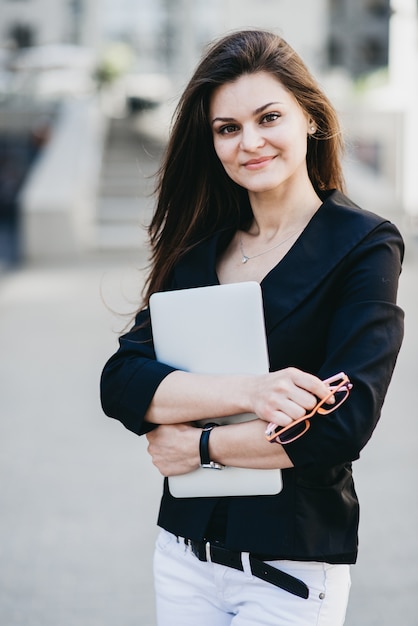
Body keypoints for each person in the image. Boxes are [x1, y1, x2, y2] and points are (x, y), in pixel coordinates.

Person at [100, 29, 404, 626]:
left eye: (269, 118)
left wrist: (201, 445)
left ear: (311, 119)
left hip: (288, 571)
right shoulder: (199, 250)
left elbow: (342, 424)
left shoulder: (363, 245)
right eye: (228, 128)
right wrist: (250, 392)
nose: (251, 142)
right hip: (184, 557)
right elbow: (122, 381)